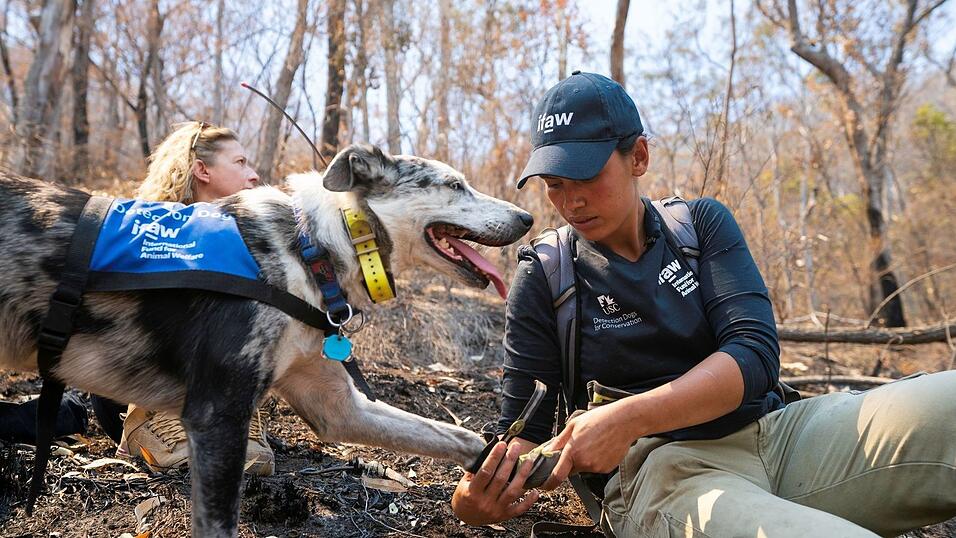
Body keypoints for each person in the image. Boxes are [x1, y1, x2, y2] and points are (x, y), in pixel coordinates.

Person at [451, 72, 956, 536]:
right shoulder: (546, 274)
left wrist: (627, 417)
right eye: (555, 184)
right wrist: (475, 499)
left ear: (639, 158)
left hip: (779, 435)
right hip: (664, 476)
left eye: (585, 176)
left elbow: (754, 356)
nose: (570, 201)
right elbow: (523, 429)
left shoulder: (700, 227)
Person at [94, 121, 274, 476]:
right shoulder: (147, 228)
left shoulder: (250, 239)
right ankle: (150, 424)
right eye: (240, 163)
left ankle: (237, 414)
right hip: (133, 391)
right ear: (202, 169)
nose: (254, 176)